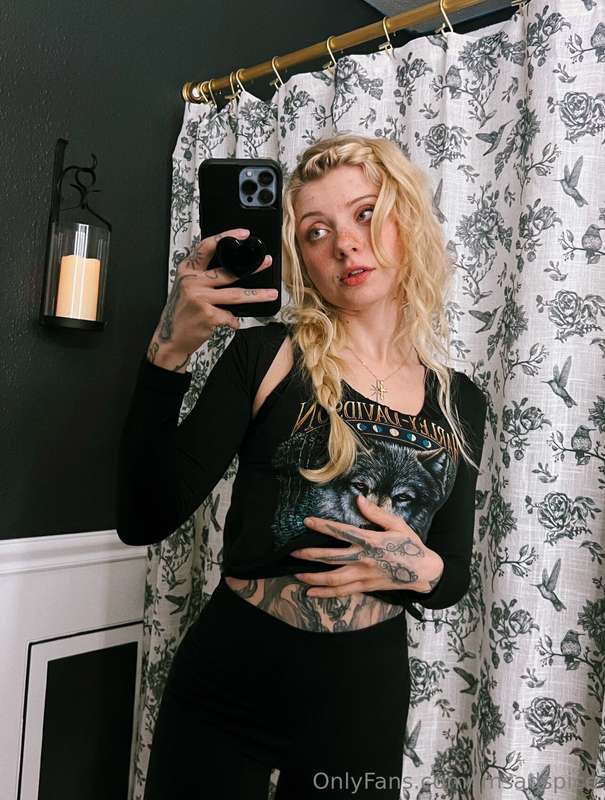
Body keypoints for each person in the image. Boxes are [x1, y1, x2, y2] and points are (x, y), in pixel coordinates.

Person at [116, 133, 488, 799]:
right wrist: (167, 354)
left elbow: (452, 572)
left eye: (365, 213)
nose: (344, 244)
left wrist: (421, 569)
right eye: (317, 231)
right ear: (303, 261)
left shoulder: (460, 401)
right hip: (230, 682)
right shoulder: (265, 357)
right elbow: (143, 518)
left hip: (362, 697)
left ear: (406, 220)